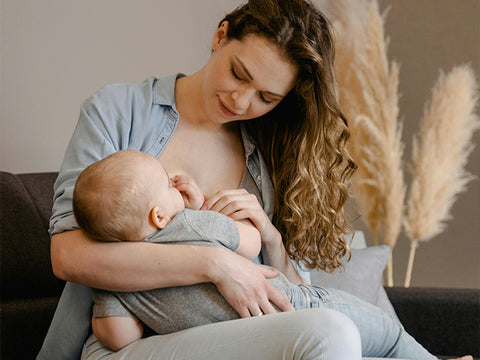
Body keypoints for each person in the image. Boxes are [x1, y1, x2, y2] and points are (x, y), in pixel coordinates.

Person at [40, 0, 472, 359]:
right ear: (220, 36)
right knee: (331, 332)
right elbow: (70, 255)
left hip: (243, 334)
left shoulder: (268, 148)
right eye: (238, 74)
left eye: (266, 97)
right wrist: (216, 263)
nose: (240, 101)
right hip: (130, 341)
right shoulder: (118, 111)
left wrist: (270, 238)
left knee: (337, 336)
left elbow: (289, 292)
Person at [73, 149, 441, 359]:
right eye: (167, 184)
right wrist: (201, 213)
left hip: (247, 342)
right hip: (298, 305)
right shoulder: (188, 225)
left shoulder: (115, 278)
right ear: (158, 215)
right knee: (390, 337)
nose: (175, 182)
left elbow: (117, 336)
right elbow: (249, 243)